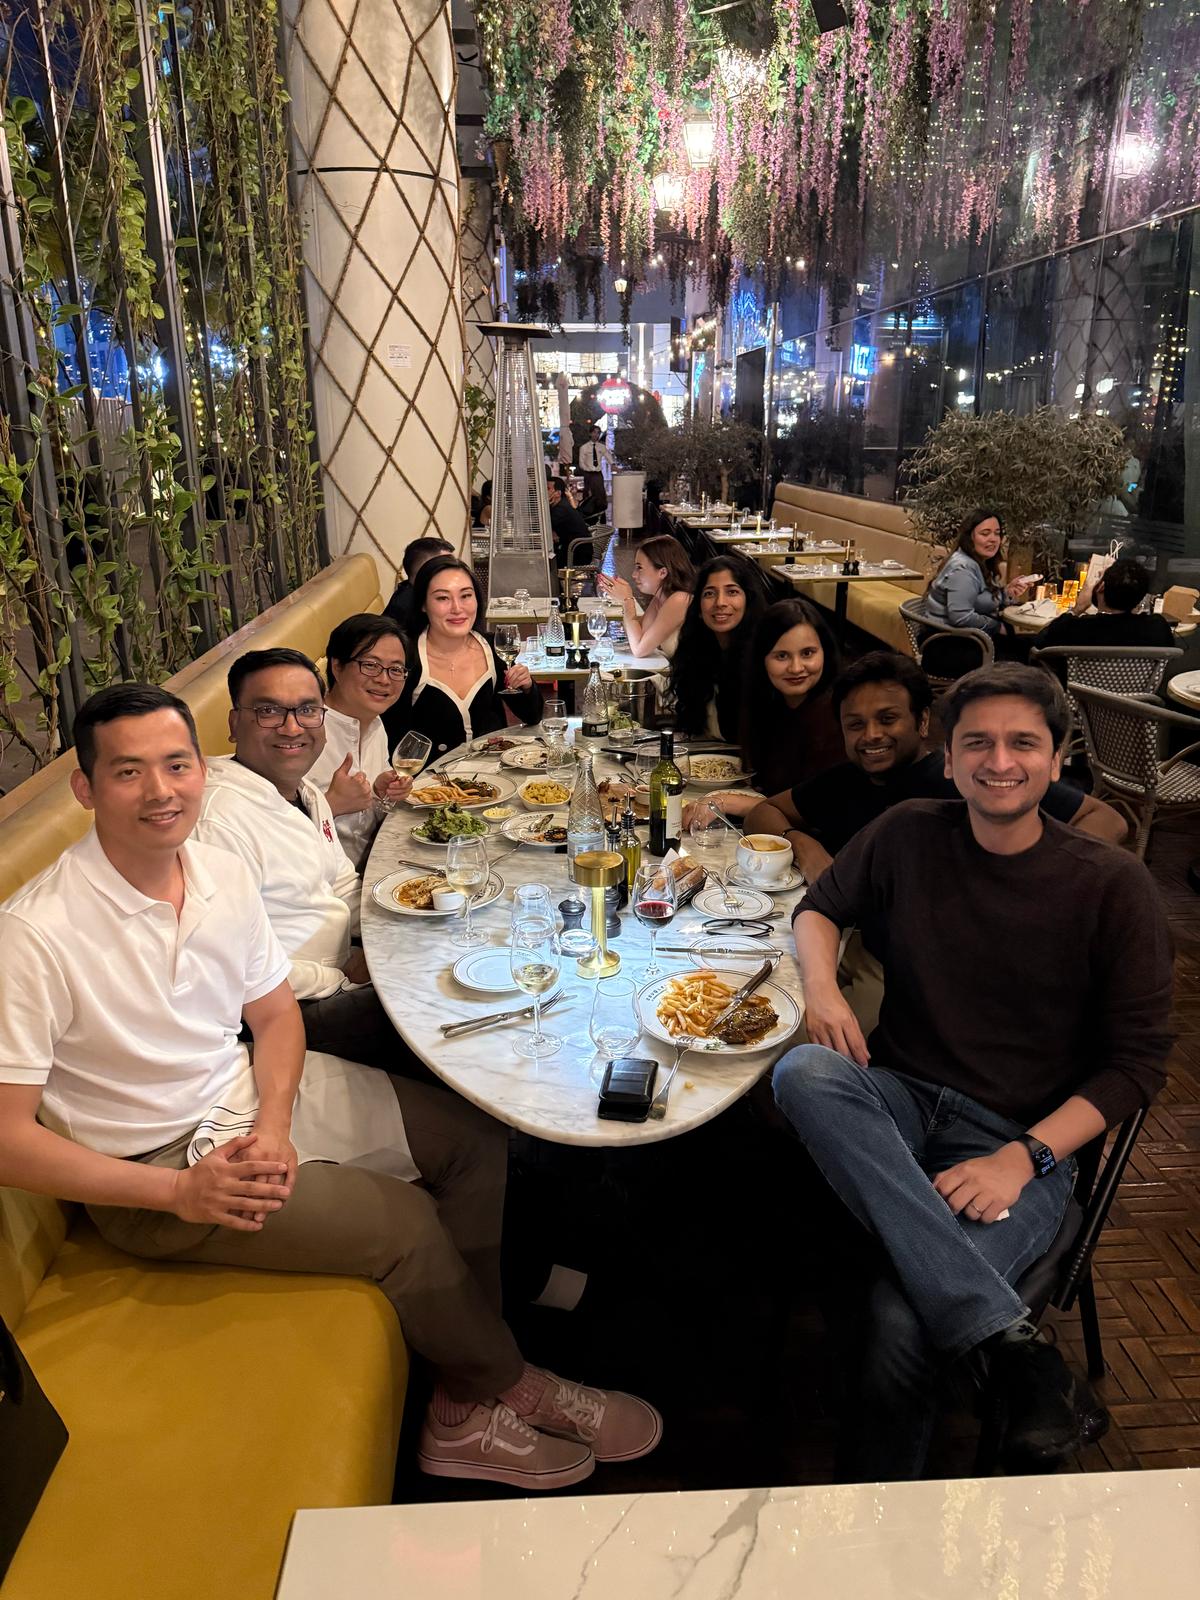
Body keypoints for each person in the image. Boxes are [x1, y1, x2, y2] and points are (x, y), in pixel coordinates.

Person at [0, 683, 661, 1490]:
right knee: (403, 1223)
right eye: (128, 772)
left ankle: (466, 1392)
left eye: (176, 764)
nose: (161, 790)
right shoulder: (35, 932)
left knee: (472, 1142)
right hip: (159, 1171)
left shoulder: (216, 873)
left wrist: (275, 1122)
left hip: (248, 1096)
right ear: (86, 787)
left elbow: (276, 1017)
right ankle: (501, 1386)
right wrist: (175, 1194)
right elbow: (7, 1138)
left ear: (201, 769)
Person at [771, 663, 1172, 1480]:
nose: (1000, 761)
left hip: (1024, 1140)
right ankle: (1016, 1349)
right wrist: (822, 987)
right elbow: (819, 909)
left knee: (900, 1316)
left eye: (1023, 743)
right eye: (978, 743)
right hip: (903, 1099)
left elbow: (1136, 1066)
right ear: (948, 759)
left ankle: (880, 1507)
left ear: (1058, 759)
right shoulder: (909, 831)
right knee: (804, 1072)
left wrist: (1022, 1159)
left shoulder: (1113, 886)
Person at [194, 647, 406, 1070]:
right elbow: (231, 964)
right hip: (286, 1008)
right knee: (432, 1008)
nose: (292, 727)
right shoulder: (218, 820)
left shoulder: (304, 791)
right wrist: (343, 979)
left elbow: (341, 881)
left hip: (341, 968)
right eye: (269, 711)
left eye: (308, 710)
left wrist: (393, 932)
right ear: (234, 723)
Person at [745, 650, 1128, 881]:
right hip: (849, 930)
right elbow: (764, 813)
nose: (871, 735)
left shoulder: (969, 781)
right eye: (856, 725)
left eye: (888, 719)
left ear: (923, 721)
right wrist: (802, 844)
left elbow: (1107, 820)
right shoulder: (845, 780)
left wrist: (1033, 872)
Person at [384, 556, 543, 759]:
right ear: (423, 604)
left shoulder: (492, 647)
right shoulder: (406, 657)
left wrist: (527, 687)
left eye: (466, 596)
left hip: (491, 772)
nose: (457, 608)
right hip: (431, 776)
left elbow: (532, 716)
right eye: (443, 598)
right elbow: (391, 738)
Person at [307, 614, 413, 869]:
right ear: (337, 667)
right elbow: (270, 835)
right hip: (326, 881)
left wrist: (381, 792)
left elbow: (366, 821)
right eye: (370, 665)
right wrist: (331, 805)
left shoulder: (376, 725)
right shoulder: (303, 734)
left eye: (396, 669)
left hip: (375, 863)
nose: (384, 679)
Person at [668, 555, 766, 742]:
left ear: (748, 600)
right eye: (709, 594)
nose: (720, 602)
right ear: (698, 608)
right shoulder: (697, 653)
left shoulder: (761, 658)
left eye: (732, 592)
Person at [922, 509, 1038, 653]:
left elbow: (979, 600)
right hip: (949, 646)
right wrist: (996, 626)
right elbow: (961, 617)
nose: (993, 539)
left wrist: (1007, 592)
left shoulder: (979, 562)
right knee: (1035, 649)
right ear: (969, 538)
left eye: (997, 533)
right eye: (985, 533)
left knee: (1035, 644)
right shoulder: (963, 569)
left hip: (969, 639)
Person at [1036, 557, 1175, 654]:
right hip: (1136, 690)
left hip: (1077, 689)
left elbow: (1039, 643)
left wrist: (1077, 608)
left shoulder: (1076, 628)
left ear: (1101, 587)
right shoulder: (1157, 628)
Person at [597, 535, 694, 659]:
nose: (633, 575)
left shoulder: (680, 600)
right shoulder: (659, 599)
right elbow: (639, 636)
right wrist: (624, 600)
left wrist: (627, 601)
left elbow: (639, 650)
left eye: (639, 568)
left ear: (662, 572)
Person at [384, 537, 455, 632]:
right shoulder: (408, 611)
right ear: (423, 572)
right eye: (446, 567)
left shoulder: (417, 591)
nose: (455, 572)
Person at [548, 475, 590, 561]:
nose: (543, 491)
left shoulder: (561, 509)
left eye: (548, 489)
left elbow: (545, 527)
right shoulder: (561, 504)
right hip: (572, 548)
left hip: (576, 554)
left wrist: (546, 504)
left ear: (558, 493)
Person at [578, 425, 612, 514]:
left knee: (600, 495)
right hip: (588, 474)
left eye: (598, 433)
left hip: (598, 474)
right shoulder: (584, 448)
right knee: (589, 495)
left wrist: (613, 465)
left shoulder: (602, 447)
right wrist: (588, 469)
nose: (596, 435)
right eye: (594, 432)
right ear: (590, 433)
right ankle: (588, 513)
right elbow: (581, 463)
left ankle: (601, 514)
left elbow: (608, 457)